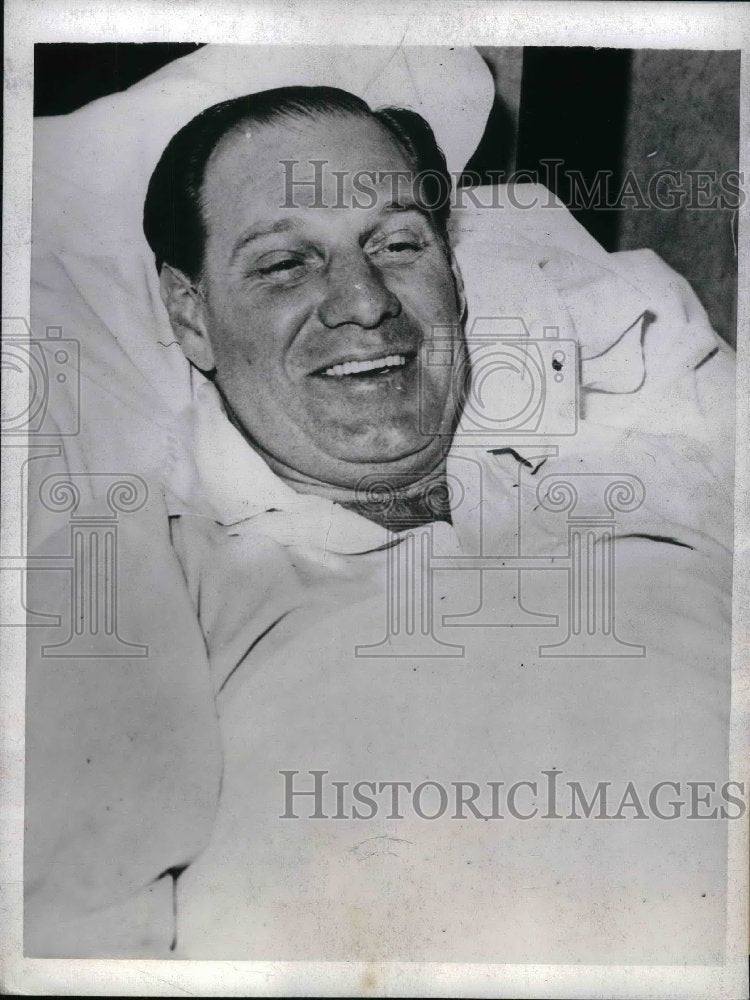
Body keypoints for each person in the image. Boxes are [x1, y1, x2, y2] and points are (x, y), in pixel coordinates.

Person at [25, 82, 735, 961]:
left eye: (398, 244)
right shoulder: (144, 567)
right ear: (191, 316)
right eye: (286, 263)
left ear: (453, 275)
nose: (363, 301)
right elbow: (69, 932)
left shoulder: (661, 447)